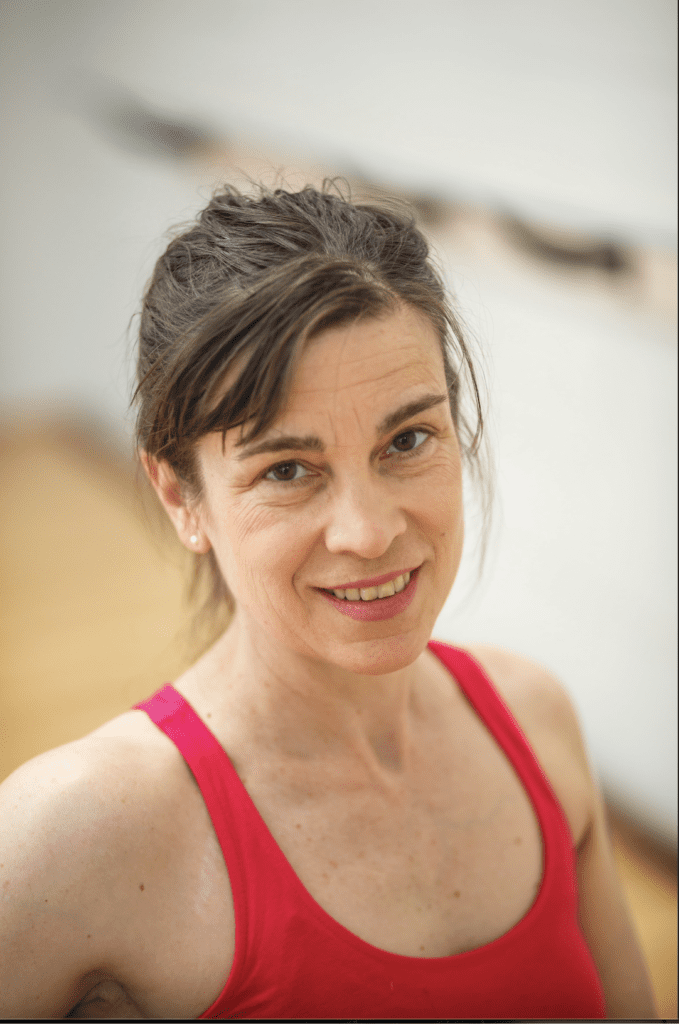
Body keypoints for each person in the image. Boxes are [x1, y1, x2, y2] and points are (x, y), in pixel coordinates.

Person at [0, 183, 656, 1020]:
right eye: (286, 470)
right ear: (179, 496)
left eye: (407, 440)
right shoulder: (74, 834)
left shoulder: (535, 718)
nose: (369, 531)